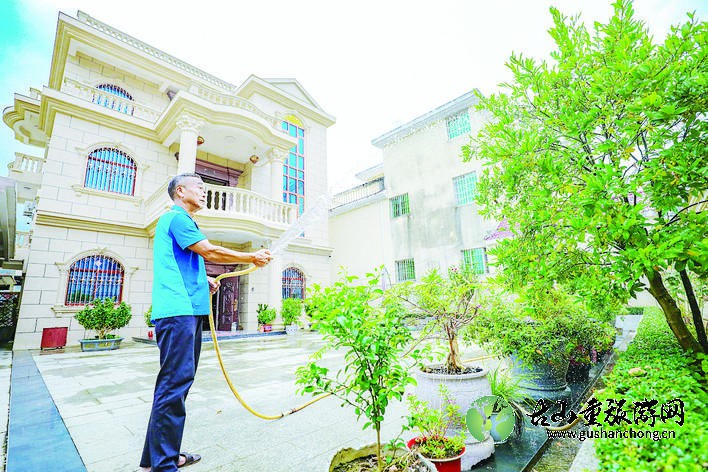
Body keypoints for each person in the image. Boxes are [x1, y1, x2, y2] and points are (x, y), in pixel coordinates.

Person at [140, 173, 272, 471]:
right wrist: (252, 256)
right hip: (178, 314)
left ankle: (159, 459)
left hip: (182, 312)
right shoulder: (177, 218)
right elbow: (210, 251)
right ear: (180, 191)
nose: (203, 191)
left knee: (174, 386)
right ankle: (164, 465)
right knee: (173, 387)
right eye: (199, 187)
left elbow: (184, 264)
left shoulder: (179, 221)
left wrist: (206, 280)